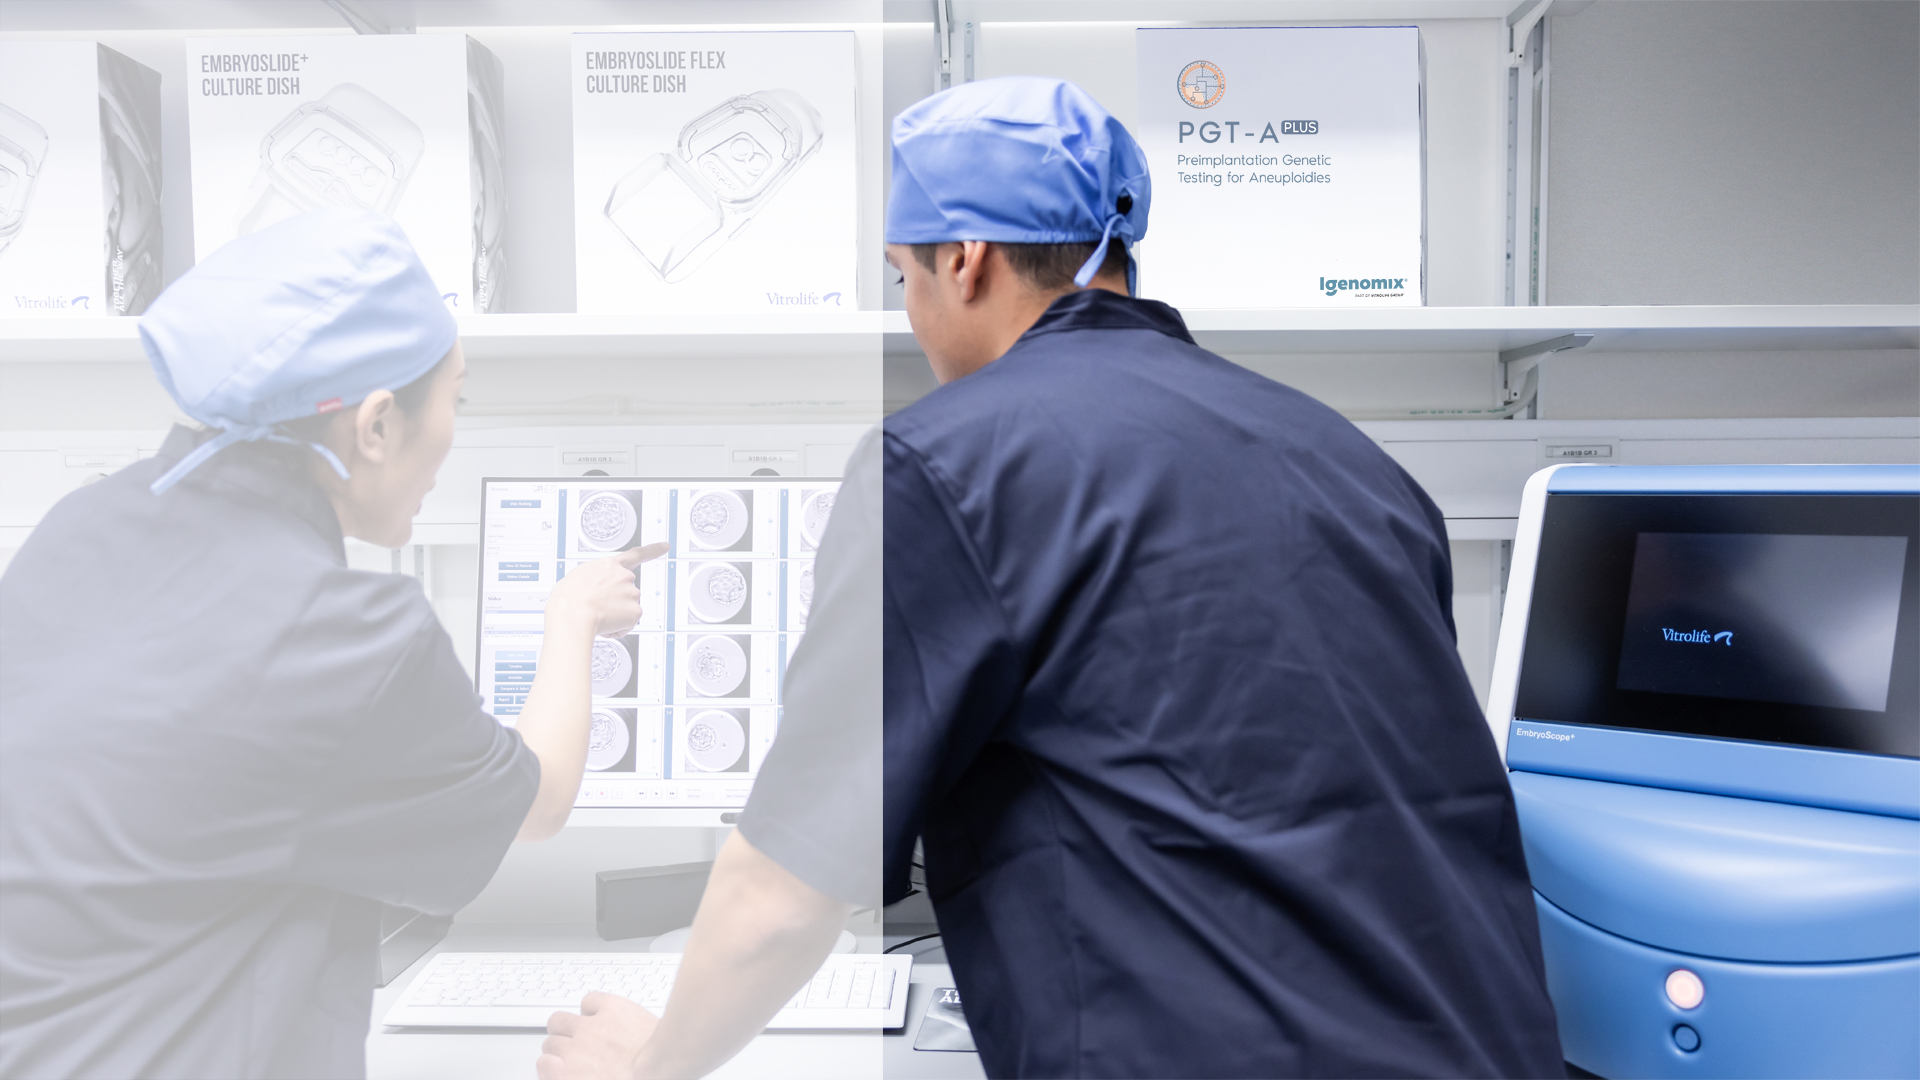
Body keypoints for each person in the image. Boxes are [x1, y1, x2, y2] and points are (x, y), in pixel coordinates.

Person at [542, 76, 1565, 1080]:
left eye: (905, 278)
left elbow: (783, 892)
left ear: (965, 259)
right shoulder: (1347, 459)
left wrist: (646, 1067)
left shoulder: (945, 464)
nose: (911, 315)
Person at [0, 209, 661, 1080]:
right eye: (456, 401)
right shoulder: (345, 631)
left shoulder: (80, 525)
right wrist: (572, 617)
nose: (453, 433)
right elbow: (534, 807)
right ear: (377, 426)